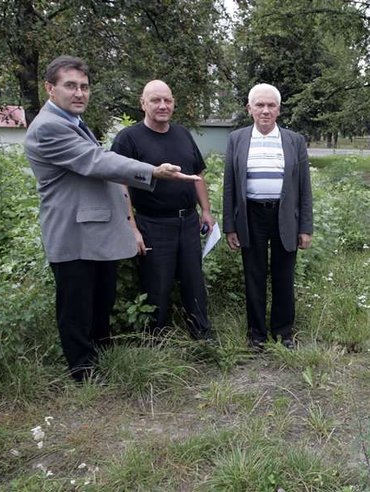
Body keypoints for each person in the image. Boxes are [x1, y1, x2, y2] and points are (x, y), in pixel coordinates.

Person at [24, 56, 199, 382]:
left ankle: (99, 356)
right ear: (50, 88)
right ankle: (83, 372)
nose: (79, 93)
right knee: (76, 306)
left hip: (93, 229)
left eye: (84, 87)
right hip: (73, 233)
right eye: (70, 86)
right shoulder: (49, 127)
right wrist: (153, 171)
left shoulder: (72, 123)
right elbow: (96, 162)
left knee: (99, 299)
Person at [110, 80, 213, 340]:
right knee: (157, 286)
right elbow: (118, 184)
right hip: (153, 225)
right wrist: (131, 228)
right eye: (155, 100)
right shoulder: (128, 139)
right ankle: (157, 343)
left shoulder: (183, 134)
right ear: (142, 103)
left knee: (193, 281)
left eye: (167, 100)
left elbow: (198, 175)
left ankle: (202, 335)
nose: (162, 105)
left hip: (187, 222)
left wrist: (206, 211)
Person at [223, 83, 313, 351]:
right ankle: (257, 335)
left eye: (271, 105)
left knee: (284, 276)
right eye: (259, 105)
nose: (265, 110)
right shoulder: (237, 139)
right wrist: (230, 226)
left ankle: (284, 333)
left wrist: (305, 226)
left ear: (279, 109)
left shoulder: (294, 141)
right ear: (249, 109)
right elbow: (230, 185)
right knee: (254, 276)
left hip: (285, 217)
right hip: (251, 217)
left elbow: (304, 188)